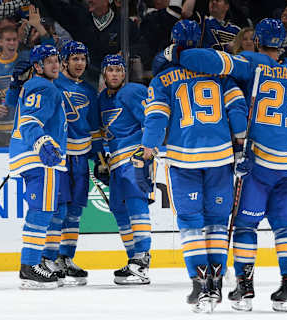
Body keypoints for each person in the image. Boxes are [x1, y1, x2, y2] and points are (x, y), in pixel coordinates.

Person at [169, 18, 287, 312]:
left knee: (244, 225)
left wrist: (177, 52)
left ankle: (244, 289)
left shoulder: (250, 62)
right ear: (283, 43)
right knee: (286, 227)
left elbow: (199, 59)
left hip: (260, 161)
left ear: (257, 42)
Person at [137, 19, 247, 313]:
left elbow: (157, 118)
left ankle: (199, 285)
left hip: (184, 159)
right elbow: (237, 109)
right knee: (217, 223)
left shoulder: (161, 80)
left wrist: (148, 149)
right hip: (221, 157)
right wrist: (240, 140)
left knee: (190, 223)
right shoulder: (220, 74)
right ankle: (217, 283)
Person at [40, 41, 102, 286]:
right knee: (59, 210)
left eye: (83, 59)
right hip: (59, 157)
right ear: (64, 61)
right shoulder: (53, 85)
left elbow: (95, 128)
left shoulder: (89, 90)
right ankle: (49, 257)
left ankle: (66, 257)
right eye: (74, 58)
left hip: (81, 157)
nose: (80, 63)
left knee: (75, 212)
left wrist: (99, 158)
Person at [8, 44, 67, 289]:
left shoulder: (33, 85)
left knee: (42, 210)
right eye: (49, 61)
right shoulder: (44, 86)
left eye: (56, 60)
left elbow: (17, 107)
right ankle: (29, 266)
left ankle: (31, 263)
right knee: (41, 211)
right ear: (38, 66)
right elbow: (30, 120)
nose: (56, 65)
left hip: (30, 156)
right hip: (41, 157)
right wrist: (42, 143)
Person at [97, 54, 152, 285]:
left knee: (136, 202)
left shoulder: (131, 92)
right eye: (111, 70)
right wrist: (101, 160)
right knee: (119, 209)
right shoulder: (102, 99)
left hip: (135, 155)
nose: (116, 74)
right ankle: (133, 260)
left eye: (119, 70)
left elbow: (151, 120)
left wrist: (148, 151)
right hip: (115, 160)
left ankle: (142, 260)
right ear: (104, 73)